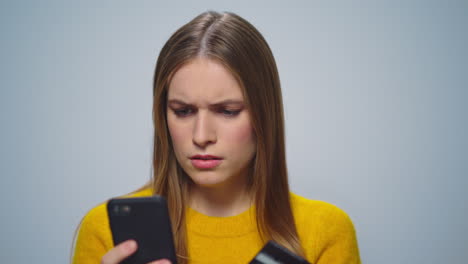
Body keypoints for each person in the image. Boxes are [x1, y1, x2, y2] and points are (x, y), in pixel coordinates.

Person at [72, 11, 361, 264]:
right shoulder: (104, 231)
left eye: (227, 111)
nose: (201, 136)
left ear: (264, 115)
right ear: (163, 116)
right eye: (183, 111)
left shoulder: (324, 231)